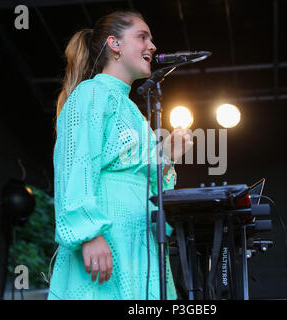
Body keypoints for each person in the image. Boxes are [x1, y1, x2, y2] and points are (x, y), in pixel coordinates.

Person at [47, 10, 193, 300]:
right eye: (142, 37)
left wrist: (167, 156)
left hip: (139, 243)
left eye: (151, 39)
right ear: (114, 44)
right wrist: (89, 233)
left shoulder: (135, 113)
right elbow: (75, 165)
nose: (152, 46)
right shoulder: (91, 93)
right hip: (106, 236)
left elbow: (149, 186)